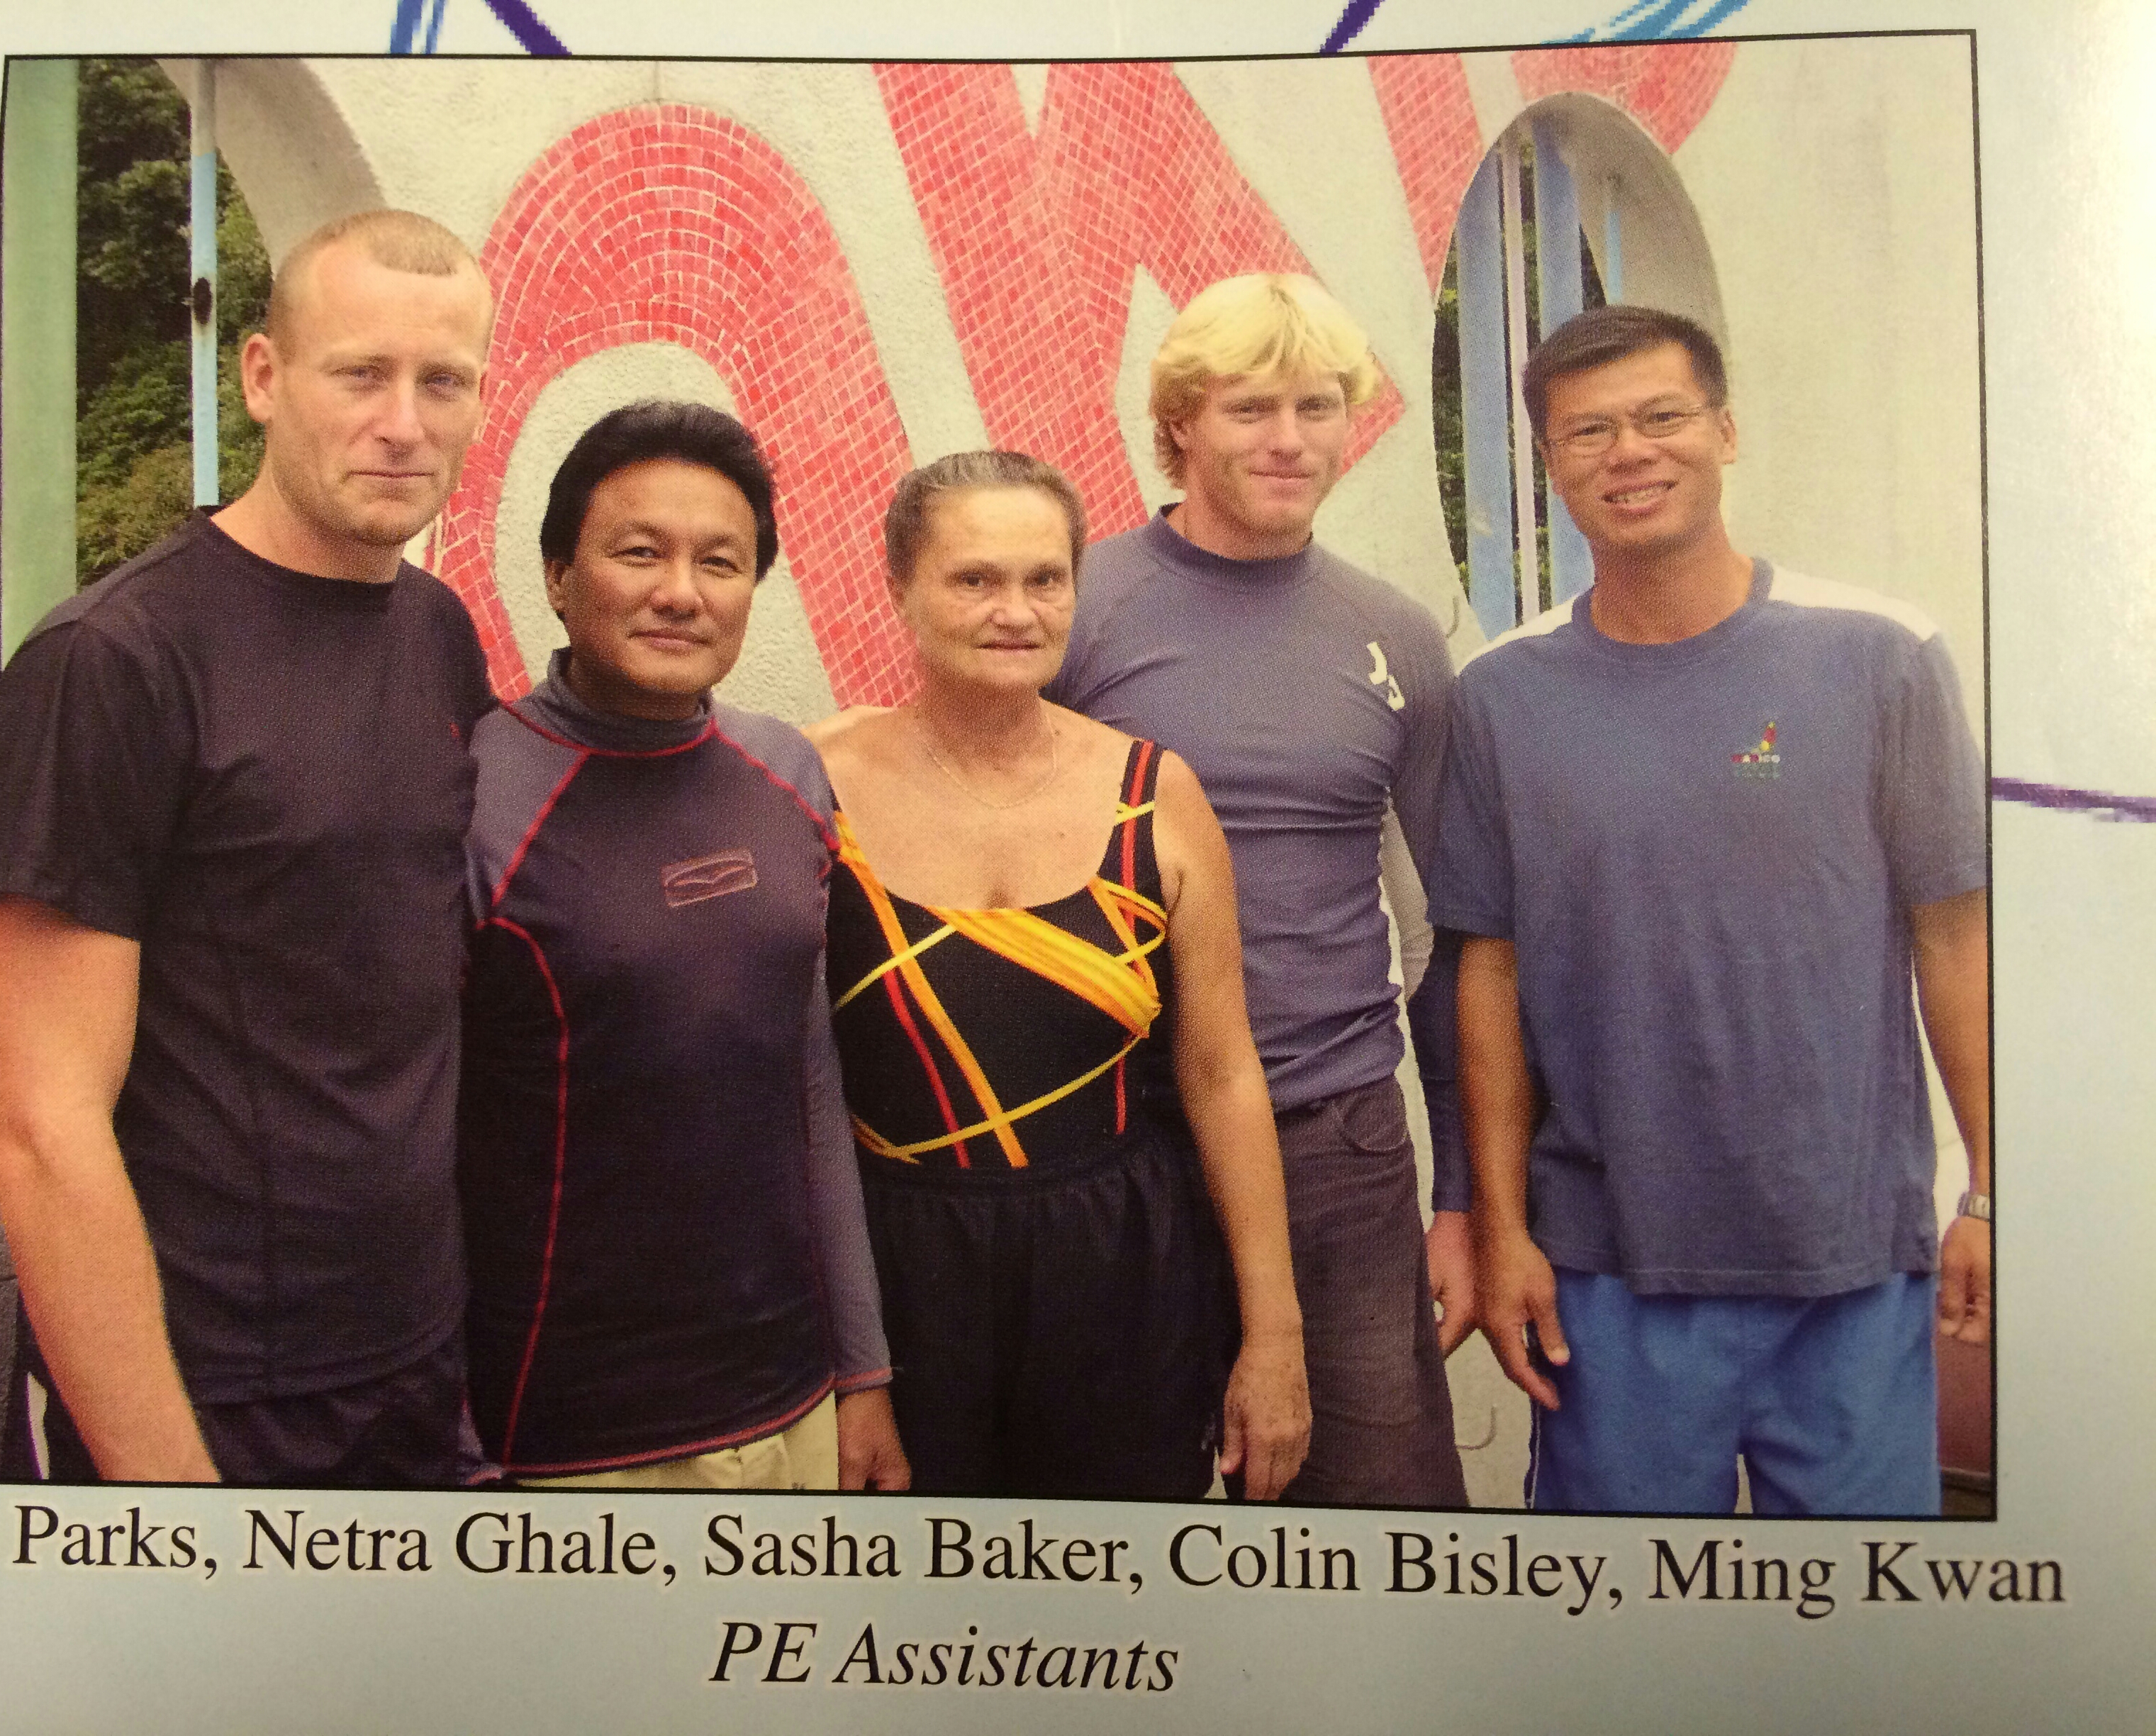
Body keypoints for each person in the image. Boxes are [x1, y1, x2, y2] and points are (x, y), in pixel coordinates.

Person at [1432, 304, 1989, 1515]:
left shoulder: (1880, 655)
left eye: (1662, 417)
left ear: (1726, 431)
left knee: (1862, 1619)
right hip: (1608, 1269)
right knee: (1619, 1621)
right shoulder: (1501, 695)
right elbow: (1489, 973)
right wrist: (1501, 1228)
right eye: (1589, 432)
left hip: (1847, 1256)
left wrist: (1993, 1191)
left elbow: (1956, 939)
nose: (1630, 452)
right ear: (1551, 465)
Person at [0, 209, 499, 1485]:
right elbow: (39, 1128)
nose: (403, 424)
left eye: (442, 382)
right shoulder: (112, 660)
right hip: (206, 1393)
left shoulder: (436, 631)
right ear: (263, 376)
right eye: (360, 374)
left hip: (417, 1357)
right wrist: (169, 1498)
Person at [812, 450, 1309, 1500]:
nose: (1015, 612)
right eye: (975, 579)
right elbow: (783, 1089)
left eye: (1045, 579)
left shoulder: (1154, 793)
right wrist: (847, 1366)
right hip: (900, 1278)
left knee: (1112, 1585)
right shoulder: (813, 787)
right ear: (900, 588)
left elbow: (1222, 1073)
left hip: (1120, 1272)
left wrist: (1274, 1337)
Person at [1050, 274, 1470, 1508]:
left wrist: (1462, 1197)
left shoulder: (1396, 635)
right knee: (1114, 1521)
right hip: (1118, 1139)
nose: (1289, 440)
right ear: (1180, 422)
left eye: (1317, 406)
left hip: (1336, 1143)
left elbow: (1446, 937)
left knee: (1373, 1524)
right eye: (1250, 409)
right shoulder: (1077, 609)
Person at [458, 401, 907, 1491]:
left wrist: (863, 1374)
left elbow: (810, 1078)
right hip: (566, 1439)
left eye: (721, 561)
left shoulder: (787, 775)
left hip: (793, 1407)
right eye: (638, 553)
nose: (680, 592)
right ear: (558, 575)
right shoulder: (471, 796)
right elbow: (410, 1139)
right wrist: (455, 1445)